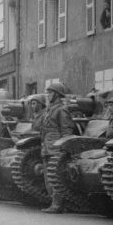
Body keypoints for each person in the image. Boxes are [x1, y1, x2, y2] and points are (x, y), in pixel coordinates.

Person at [40, 82, 76, 213]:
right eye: (48, 92)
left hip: (56, 147)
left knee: (55, 176)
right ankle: (54, 202)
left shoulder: (61, 109)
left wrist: (64, 148)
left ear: (56, 94)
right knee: (48, 177)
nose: (48, 95)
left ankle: (57, 204)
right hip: (47, 146)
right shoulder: (49, 109)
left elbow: (66, 130)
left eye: (50, 92)